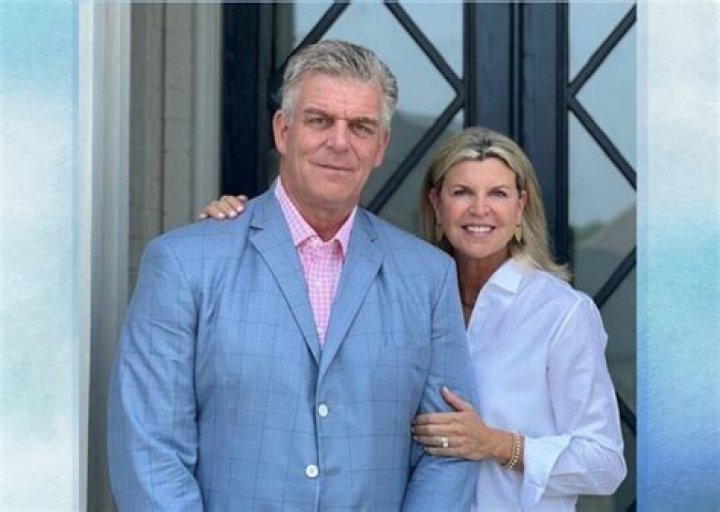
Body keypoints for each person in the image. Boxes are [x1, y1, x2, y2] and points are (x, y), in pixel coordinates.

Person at [108, 40, 478, 510]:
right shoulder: (184, 263)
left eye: (360, 127)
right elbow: (149, 447)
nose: (339, 142)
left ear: (381, 146)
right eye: (319, 120)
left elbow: (450, 448)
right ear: (283, 131)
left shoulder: (427, 277)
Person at [202, 126, 627, 510]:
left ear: (521, 207)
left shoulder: (562, 314)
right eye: (462, 192)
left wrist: (496, 444)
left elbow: (605, 463)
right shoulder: (402, 289)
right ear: (437, 204)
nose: (480, 209)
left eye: (498, 194)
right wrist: (243, 221)